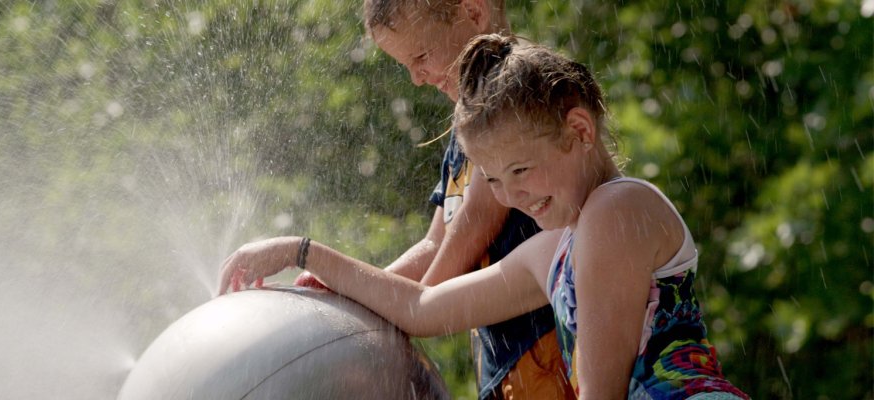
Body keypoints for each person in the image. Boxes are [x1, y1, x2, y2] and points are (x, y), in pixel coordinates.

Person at [219, 34, 748, 399]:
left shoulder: (617, 209)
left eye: (522, 169)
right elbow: (422, 308)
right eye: (493, 181)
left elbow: (602, 393)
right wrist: (302, 253)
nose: (512, 195)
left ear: (580, 132)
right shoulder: (553, 250)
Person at [305, 0, 574, 398]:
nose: (416, 77)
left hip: (550, 355)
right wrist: (351, 297)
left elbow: (475, 226)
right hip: (509, 365)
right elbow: (436, 243)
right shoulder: (467, 124)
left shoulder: (512, 108)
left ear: (474, 12)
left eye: (422, 56)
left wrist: (408, 308)